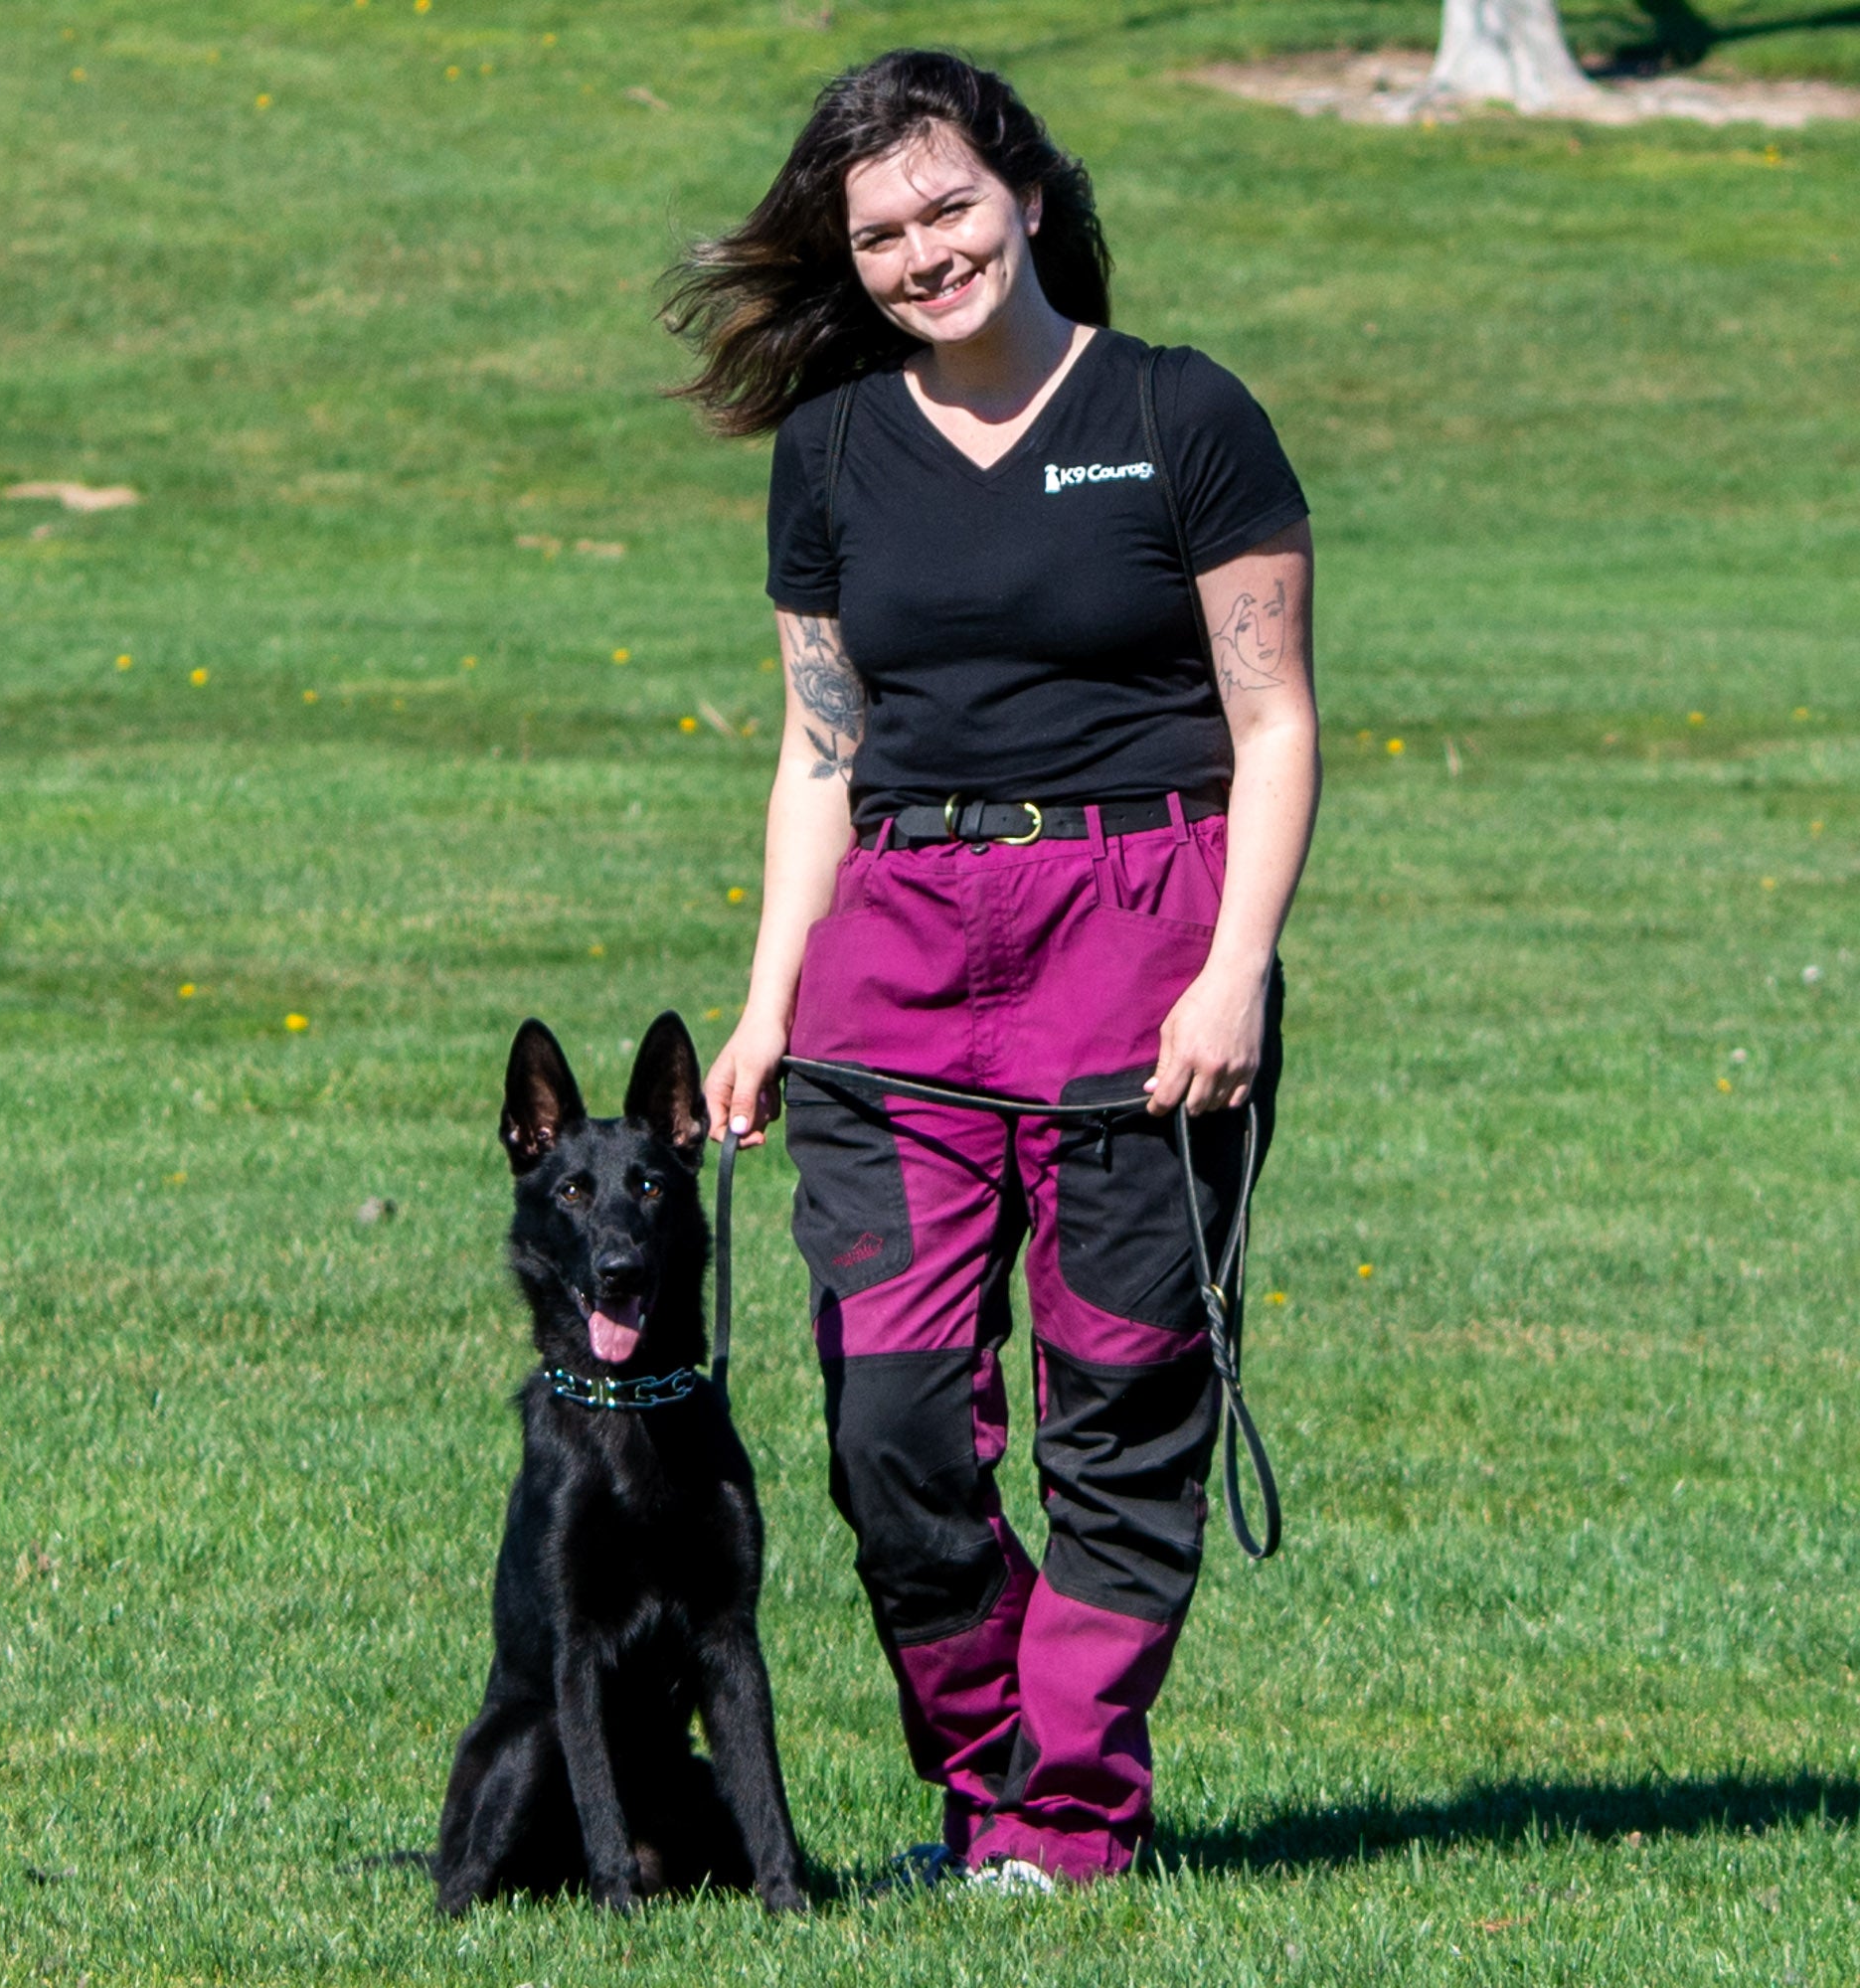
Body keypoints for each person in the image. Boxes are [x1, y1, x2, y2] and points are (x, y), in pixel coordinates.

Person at [664, 49, 1320, 1887]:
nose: (919, 252)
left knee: (1119, 1400)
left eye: (947, 206)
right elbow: (819, 745)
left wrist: (1235, 969)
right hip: (899, 954)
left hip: (1143, 935)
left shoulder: (1185, 415)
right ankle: (1000, 1772)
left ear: (1025, 196)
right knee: (890, 1425)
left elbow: (1272, 725)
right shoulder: (831, 452)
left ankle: (1060, 1827)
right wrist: (770, 995)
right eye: (877, 232)